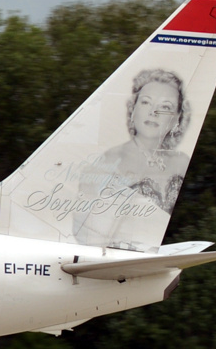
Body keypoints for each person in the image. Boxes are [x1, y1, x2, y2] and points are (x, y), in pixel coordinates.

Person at [72, 68, 190, 248]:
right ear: (133, 109)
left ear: (176, 119)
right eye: (146, 102)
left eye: (165, 107)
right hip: (111, 262)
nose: (154, 112)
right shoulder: (107, 162)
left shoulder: (182, 162)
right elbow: (86, 234)